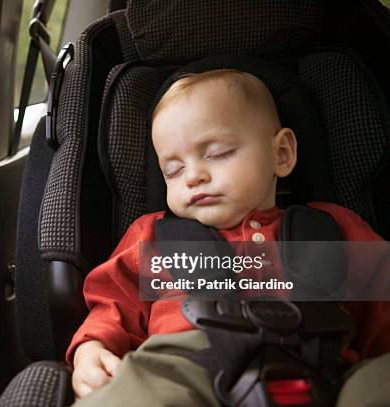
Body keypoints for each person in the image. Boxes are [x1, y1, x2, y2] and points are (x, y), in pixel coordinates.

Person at [67, 69, 390, 406]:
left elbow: (383, 310)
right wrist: (92, 347)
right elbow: (113, 304)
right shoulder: (153, 236)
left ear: (281, 154)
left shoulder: (334, 227)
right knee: (134, 389)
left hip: (326, 367)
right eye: (173, 171)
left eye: (217, 153)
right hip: (187, 365)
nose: (193, 176)